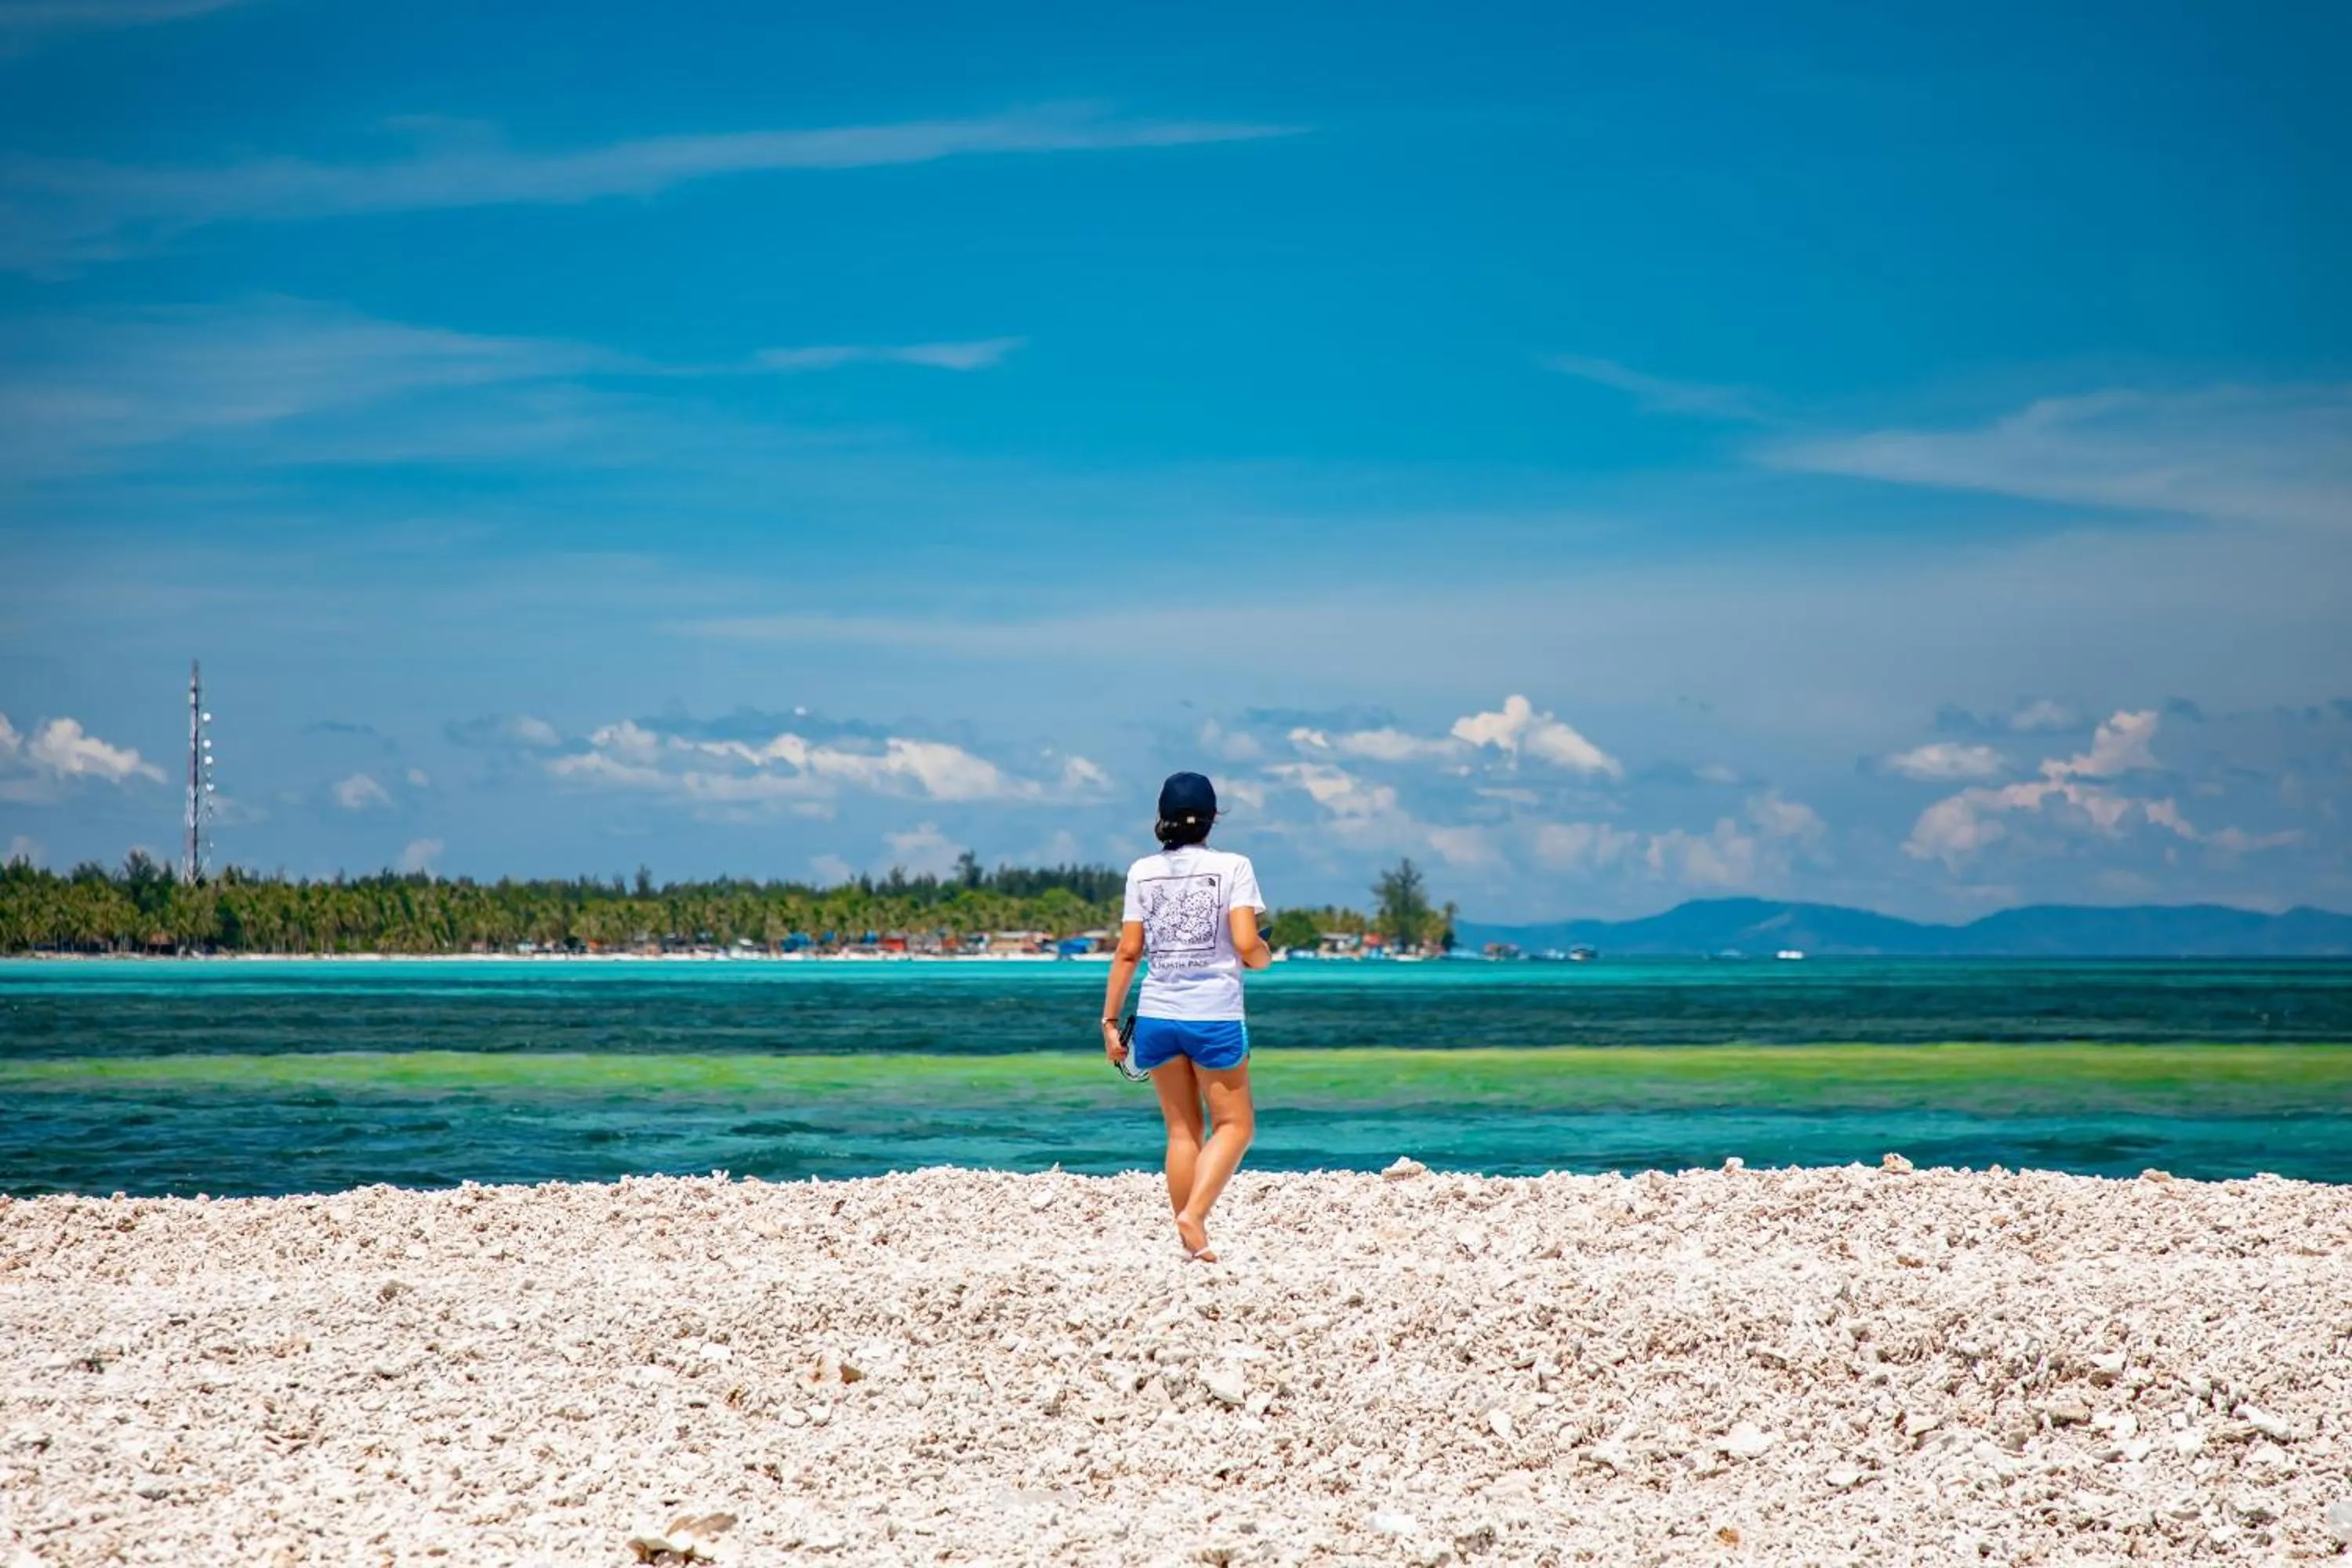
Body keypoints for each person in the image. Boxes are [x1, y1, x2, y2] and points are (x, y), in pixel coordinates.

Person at [1102, 771, 1273, 1262]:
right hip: (1213, 1015)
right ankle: (1194, 1216)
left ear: (1162, 820)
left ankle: (1191, 1246)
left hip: (1157, 1014)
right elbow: (1245, 944)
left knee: (1182, 1131)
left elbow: (1129, 953)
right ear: (1213, 818)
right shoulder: (1235, 867)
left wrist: (1110, 1024)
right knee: (1235, 1126)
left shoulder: (1141, 872)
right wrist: (1264, 956)